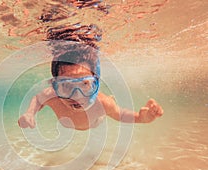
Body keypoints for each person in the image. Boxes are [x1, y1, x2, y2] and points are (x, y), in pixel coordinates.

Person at [18, 46, 163, 130]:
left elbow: (120, 115)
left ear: (96, 83)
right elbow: (38, 99)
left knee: (108, 106)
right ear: (55, 86)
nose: (76, 96)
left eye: (85, 84)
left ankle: (109, 96)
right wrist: (30, 113)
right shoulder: (52, 95)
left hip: (95, 122)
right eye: (67, 85)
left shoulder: (103, 103)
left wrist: (141, 118)